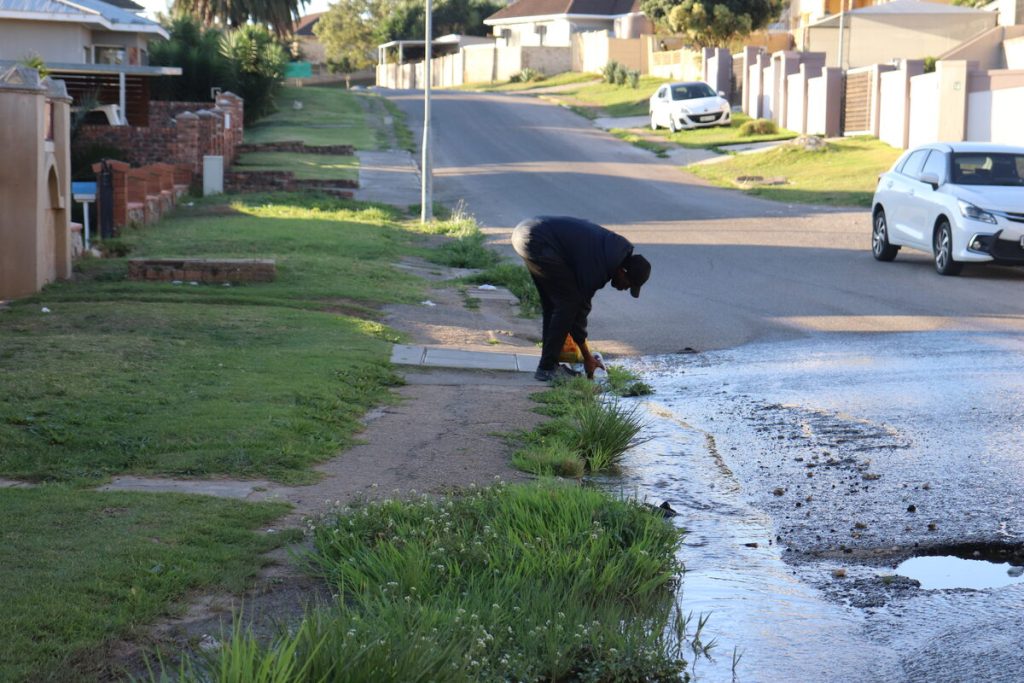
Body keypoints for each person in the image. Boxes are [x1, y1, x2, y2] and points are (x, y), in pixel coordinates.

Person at [511, 216, 651, 382]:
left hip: (527, 233)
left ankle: (549, 365)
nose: (625, 289)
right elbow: (579, 309)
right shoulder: (602, 264)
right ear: (623, 271)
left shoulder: (614, 252)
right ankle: (547, 368)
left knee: (553, 304)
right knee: (567, 305)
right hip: (537, 240)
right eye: (628, 284)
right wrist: (587, 356)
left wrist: (586, 354)